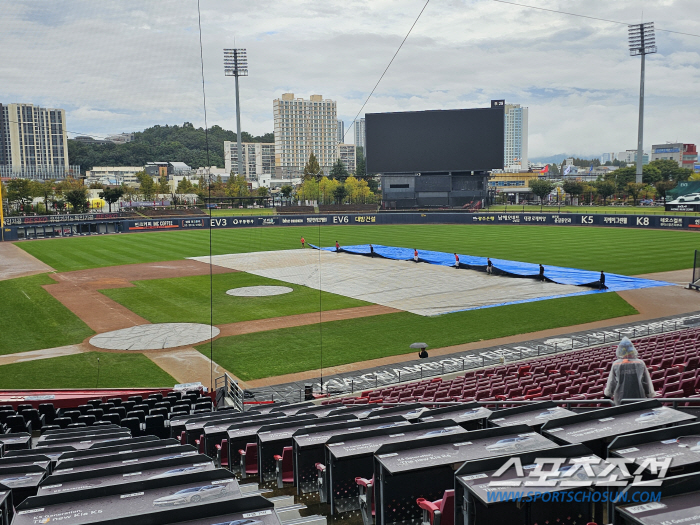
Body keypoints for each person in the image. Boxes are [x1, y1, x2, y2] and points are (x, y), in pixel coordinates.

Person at [604, 337, 655, 406]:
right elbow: (646, 382)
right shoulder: (640, 363)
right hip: (639, 398)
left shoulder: (616, 364)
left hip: (621, 399)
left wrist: (608, 395)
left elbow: (612, 382)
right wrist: (649, 394)